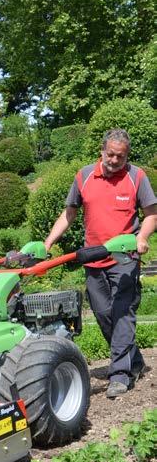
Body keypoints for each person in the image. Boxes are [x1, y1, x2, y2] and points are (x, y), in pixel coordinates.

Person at [44, 129, 157, 398]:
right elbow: (69, 214)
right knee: (104, 315)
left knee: (122, 313)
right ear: (102, 150)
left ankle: (119, 375)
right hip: (93, 259)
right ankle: (135, 362)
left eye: (121, 156)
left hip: (124, 259)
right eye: (111, 154)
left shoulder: (136, 177)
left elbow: (151, 214)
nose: (115, 160)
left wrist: (142, 237)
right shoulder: (84, 176)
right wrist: (48, 243)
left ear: (127, 155)